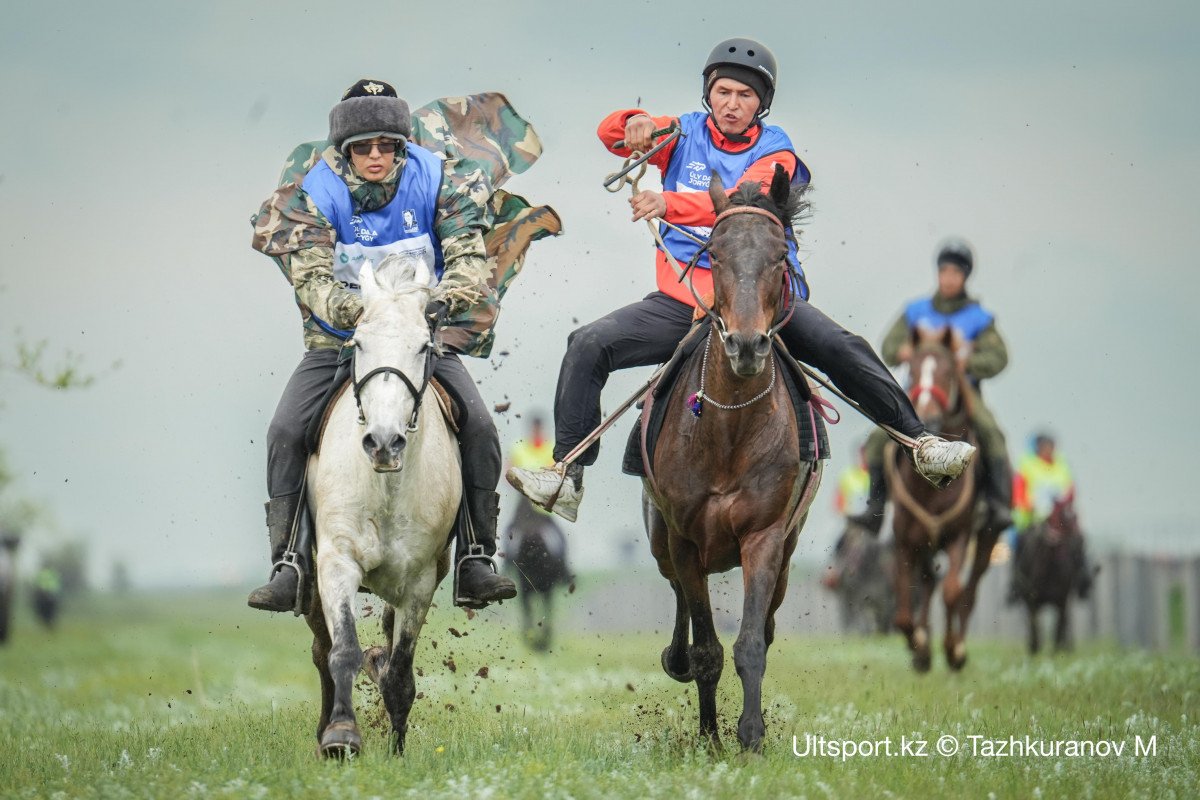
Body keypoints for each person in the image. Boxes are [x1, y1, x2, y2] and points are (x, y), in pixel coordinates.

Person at [507, 38, 974, 522]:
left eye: (745, 96)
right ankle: (568, 474)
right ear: (709, 94)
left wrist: (668, 205)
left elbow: (740, 200)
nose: (732, 103)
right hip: (685, 298)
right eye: (724, 92)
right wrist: (635, 124)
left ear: (762, 104)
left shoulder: (778, 152)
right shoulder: (683, 132)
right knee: (587, 343)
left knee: (844, 347)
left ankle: (920, 442)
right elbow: (610, 134)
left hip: (762, 300)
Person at [246, 79, 516, 612]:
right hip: (340, 340)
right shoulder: (315, 192)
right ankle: (289, 563)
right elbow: (313, 281)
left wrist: (437, 304)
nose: (376, 156)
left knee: (481, 427)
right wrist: (366, 313)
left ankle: (475, 557)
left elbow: (467, 258)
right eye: (363, 147)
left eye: (387, 146)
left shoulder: (439, 180)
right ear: (346, 150)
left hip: (419, 334)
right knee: (284, 430)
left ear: (402, 145)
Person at [852, 238, 1013, 534]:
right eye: (945, 271)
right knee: (877, 438)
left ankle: (998, 504)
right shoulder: (916, 312)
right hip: (917, 393)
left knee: (992, 433)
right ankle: (875, 508)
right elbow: (889, 346)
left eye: (956, 273)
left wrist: (970, 361)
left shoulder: (978, 319)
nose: (949, 278)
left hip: (961, 394)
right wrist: (904, 350)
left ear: (965, 277)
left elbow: (999, 356)